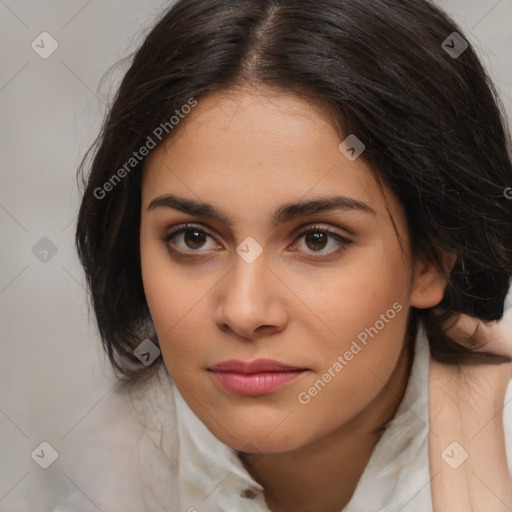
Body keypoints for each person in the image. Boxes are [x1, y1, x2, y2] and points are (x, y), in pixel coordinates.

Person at [60, 0, 512, 510]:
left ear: (433, 258)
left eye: (318, 239)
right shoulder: (84, 469)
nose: (245, 311)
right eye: (193, 238)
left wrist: (474, 470)